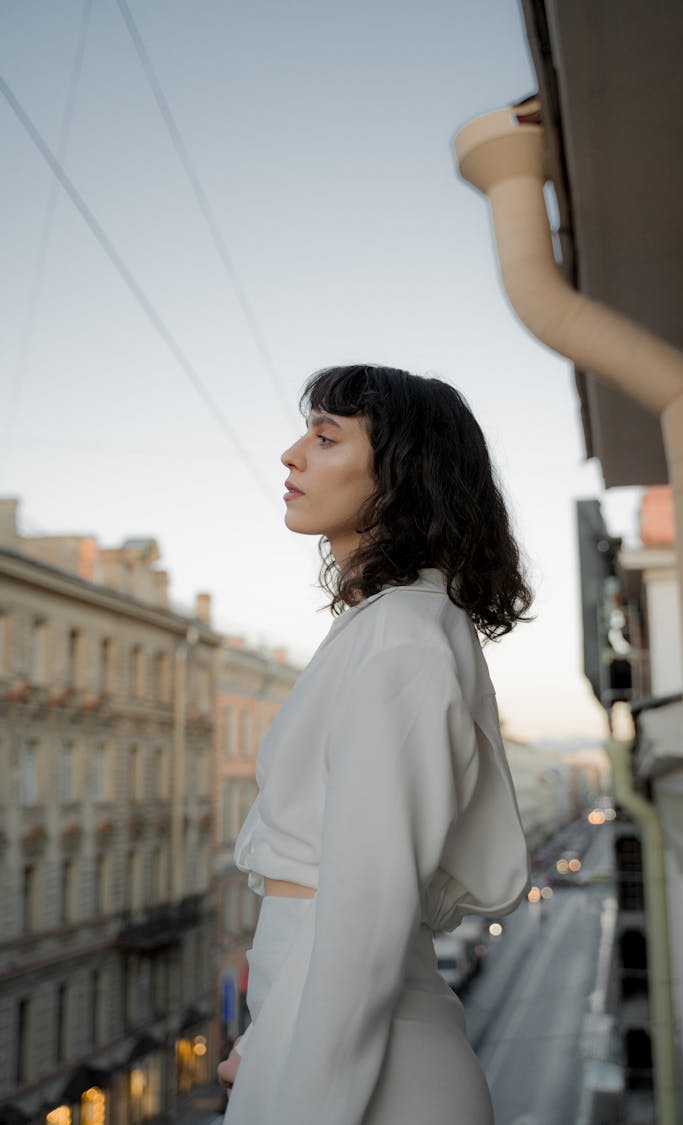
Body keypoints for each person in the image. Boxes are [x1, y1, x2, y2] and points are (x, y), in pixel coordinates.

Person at [217, 364, 533, 1124]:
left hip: (374, 1072)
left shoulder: (402, 640)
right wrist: (269, 1046)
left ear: (400, 476)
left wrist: (292, 1077)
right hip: (333, 1037)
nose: (292, 455)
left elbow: (367, 912)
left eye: (326, 437)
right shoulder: (382, 626)